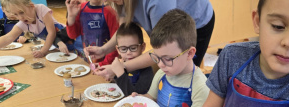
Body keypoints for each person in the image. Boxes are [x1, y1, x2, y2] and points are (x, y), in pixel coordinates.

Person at [132, 9, 209, 107]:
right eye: (157, 57)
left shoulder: (200, 86)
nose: (160, 64)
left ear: (190, 53)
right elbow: (151, 98)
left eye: (167, 59)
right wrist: (139, 99)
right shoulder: (162, 73)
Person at [84, 0, 215, 81]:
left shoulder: (158, 3)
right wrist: (103, 50)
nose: (106, 1)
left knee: (180, 77)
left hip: (197, 23)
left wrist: (121, 68)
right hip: (166, 25)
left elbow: (163, 51)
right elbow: (123, 31)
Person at [0, 0, 74, 57]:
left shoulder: (41, 9)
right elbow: (8, 37)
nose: (20, 17)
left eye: (21, 12)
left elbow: (51, 33)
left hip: (71, 37)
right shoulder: (23, 23)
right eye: (15, 14)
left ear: (31, 6)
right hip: (58, 45)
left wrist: (43, 51)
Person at [66, 0, 118, 67]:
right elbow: (72, 35)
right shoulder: (80, 8)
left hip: (104, 64)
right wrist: (71, 16)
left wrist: (103, 64)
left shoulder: (109, 12)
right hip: (83, 59)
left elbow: (116, 42)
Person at [112, 22, 153, 96]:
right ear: (118, 49)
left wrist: (120, 74)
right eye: (123, 49)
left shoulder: (147, 70)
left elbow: (134, 95)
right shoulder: (119, 64)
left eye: (133, 48)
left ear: (142, 47)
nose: (128, 52)